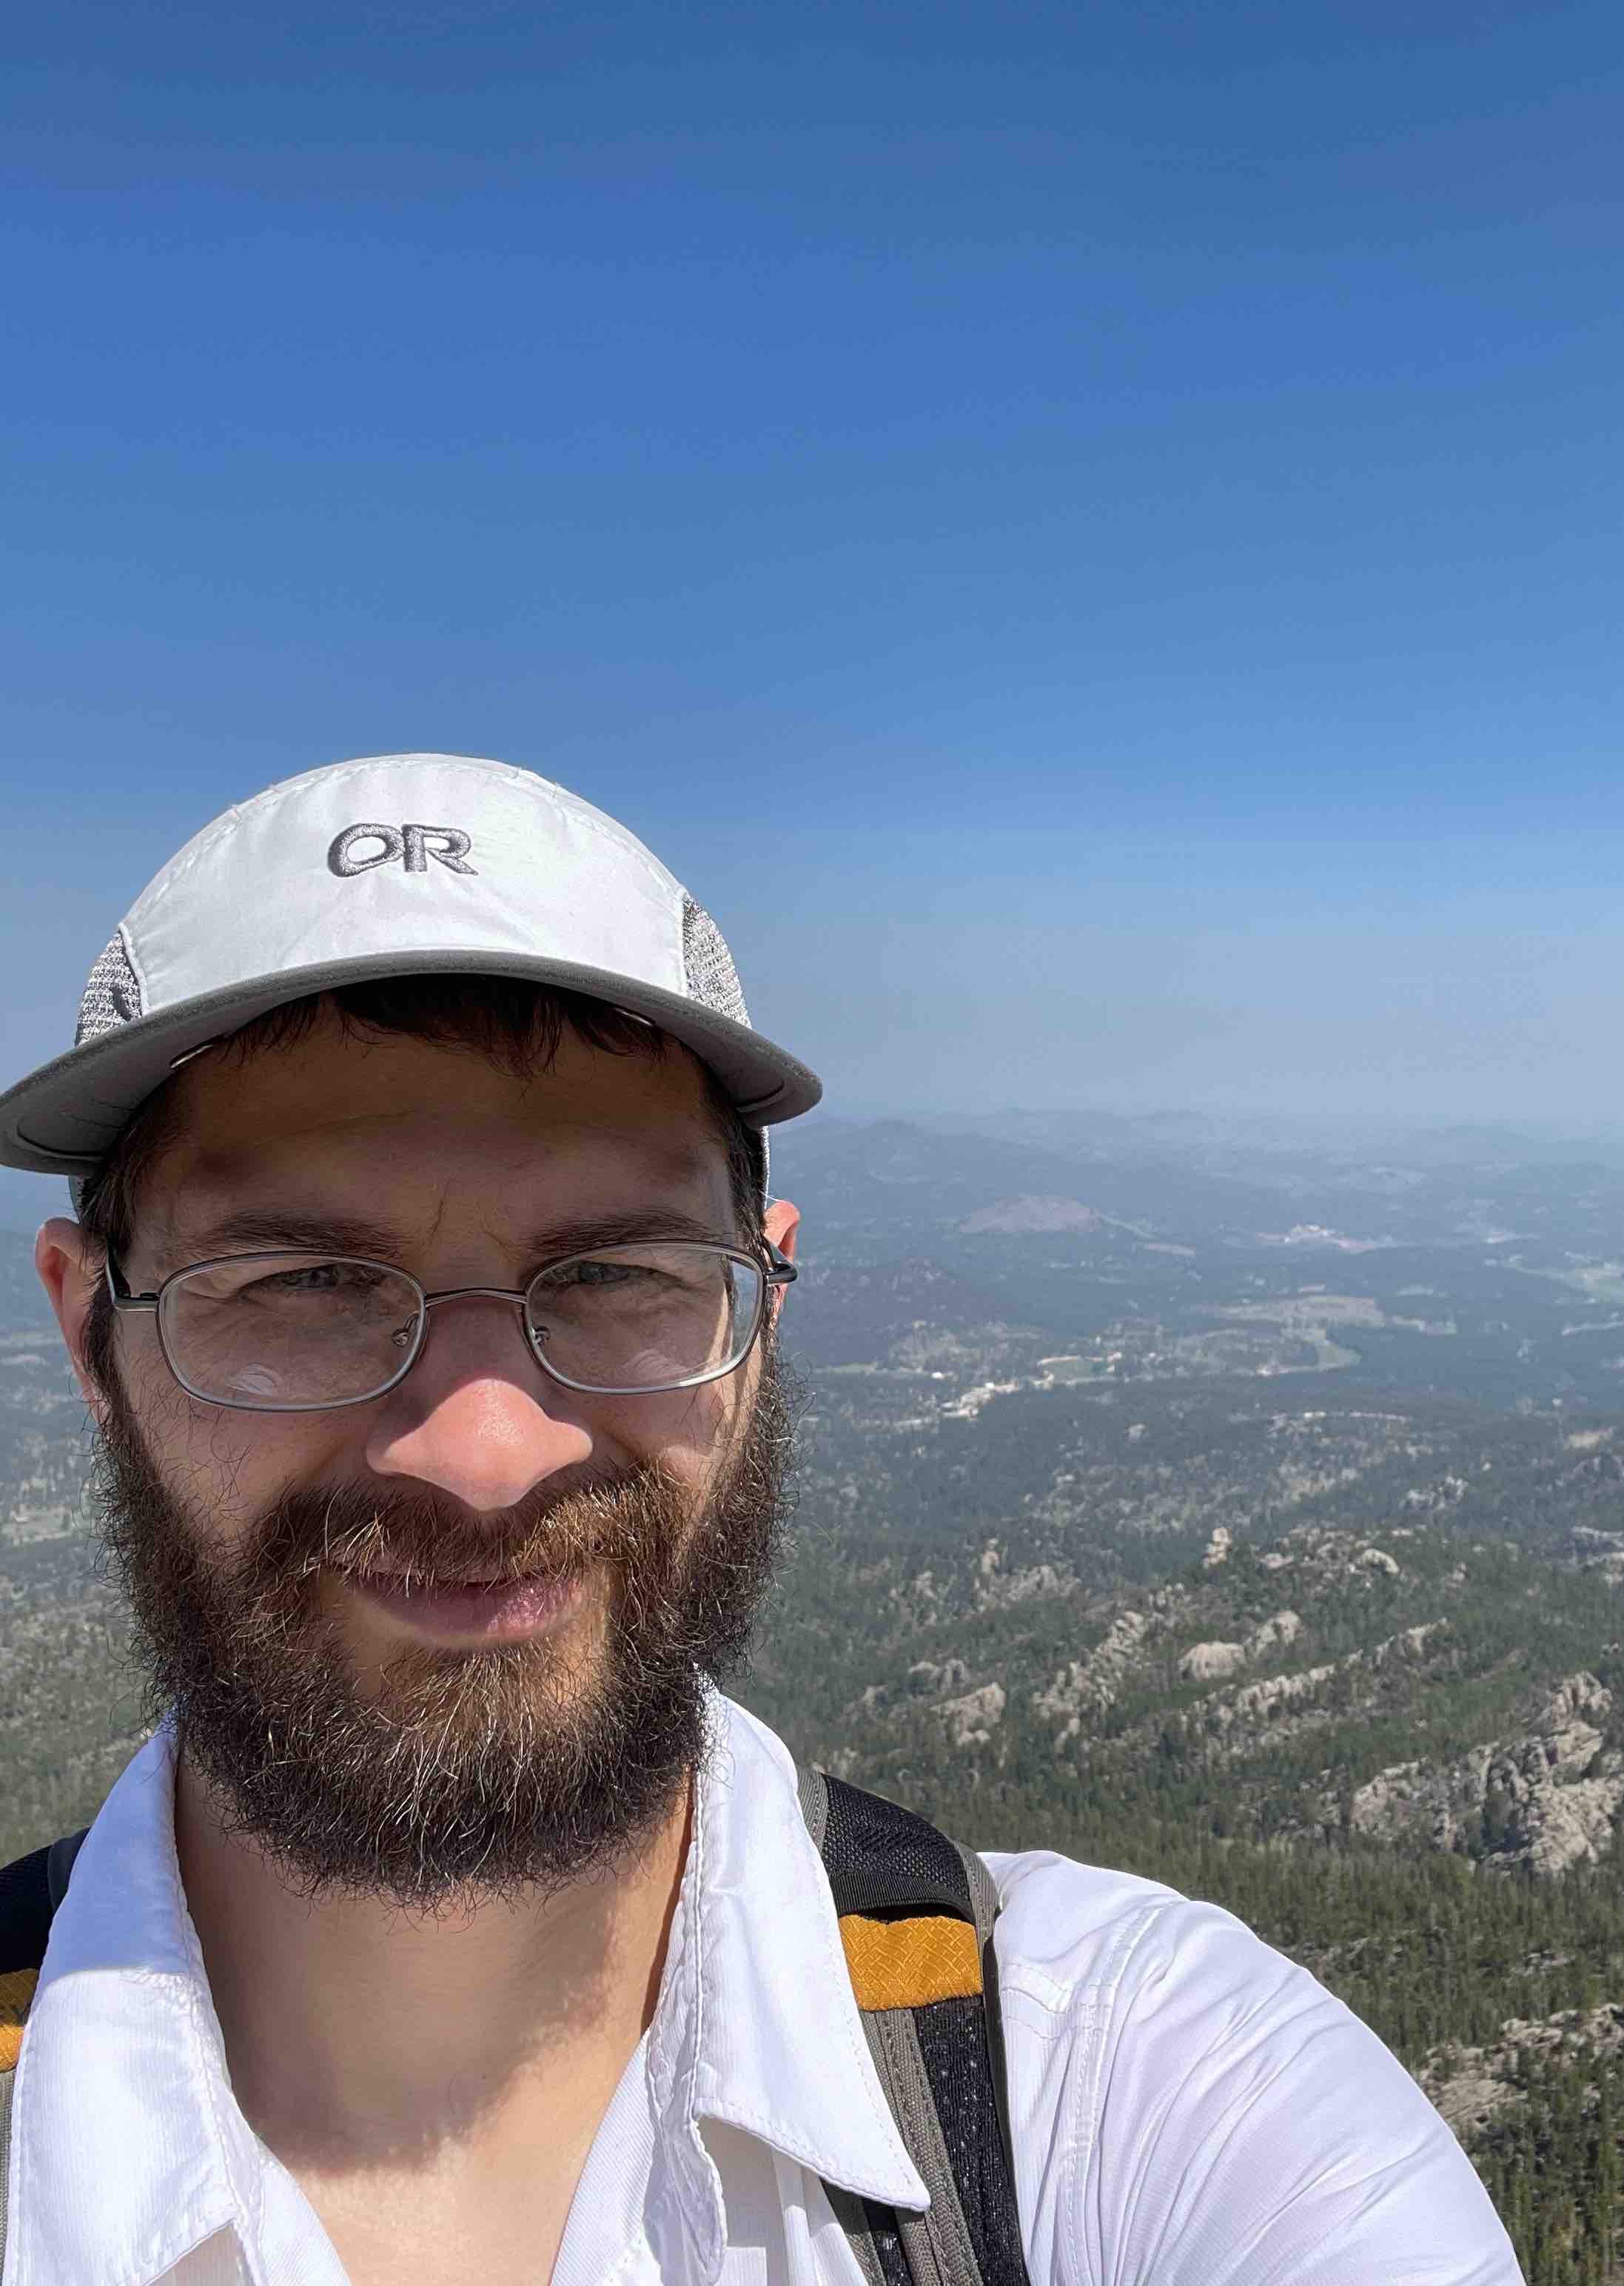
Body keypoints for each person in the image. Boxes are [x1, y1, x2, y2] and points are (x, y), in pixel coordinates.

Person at [0, 752, 1522, 2285]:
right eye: (305, 1284)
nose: (481, 1452)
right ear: (90, 1337)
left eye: (611, 1275)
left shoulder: (1127, 2092)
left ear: (763, 1306)